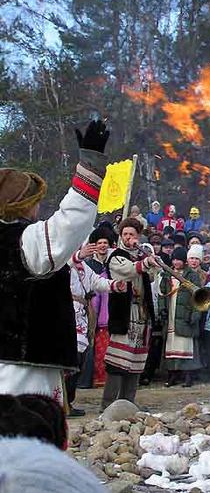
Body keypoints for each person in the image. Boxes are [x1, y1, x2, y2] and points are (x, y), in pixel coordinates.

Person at [0, 118, 109, 405]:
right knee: (26, 438)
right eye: (34, 201)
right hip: (19, 368)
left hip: (12, 363)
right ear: (21, 205)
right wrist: (90, 165)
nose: (38, 207)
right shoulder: (18, 240)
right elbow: (70, 223)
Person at [101, 218, 159, 409]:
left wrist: (152, 261)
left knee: (136, 361)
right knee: (118, 361)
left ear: (138, 236)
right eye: (125, 234)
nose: (128, 237)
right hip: (125, 314)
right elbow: (126, 271)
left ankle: (128, 404)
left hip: (143, 313)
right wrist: (145, 263)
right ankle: (108, 405)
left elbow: (152, 276)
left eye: (132, 234)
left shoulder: (142, 255)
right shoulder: (115, 255)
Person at [66, 243, 125, 416]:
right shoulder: (63, 262)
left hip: (82, 315)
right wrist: (77, 256)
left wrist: (114, 285)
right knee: (69, 361)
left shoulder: (84, 267)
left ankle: (68, 402)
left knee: (79, 360)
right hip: (66, 313)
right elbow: (58, 267)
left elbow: (96, 281)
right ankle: (61, 404)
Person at [160, 247, 202, 387]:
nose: (176, 262)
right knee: (171, 346)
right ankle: (172, 376)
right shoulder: (167, 274)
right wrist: (162, 309)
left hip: (185, 314)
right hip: (171, 313)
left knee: (186, 347)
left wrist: (195, 314)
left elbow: (198, 296)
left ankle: (188, 377)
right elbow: (162, 293)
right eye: (174, 259)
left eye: (179, 259)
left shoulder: (191, 276)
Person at [84, 226, 117, 388]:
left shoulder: (114, 264)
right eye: (99, 242)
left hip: (111, 313)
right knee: (94, 349)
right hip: (92, 312)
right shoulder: (89, 265)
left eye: (105, 242)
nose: (103, 245)